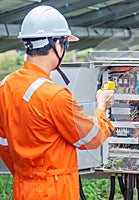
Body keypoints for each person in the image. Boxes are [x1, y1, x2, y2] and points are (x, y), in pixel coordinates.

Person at [0, 5, 114, 199]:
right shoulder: (54, 96)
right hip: (55, 191)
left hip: (24, 189)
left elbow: (4, 144)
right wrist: (101, 108)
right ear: (57, 44)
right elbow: (91, 137)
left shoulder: (5, 86)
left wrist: (29, 174)